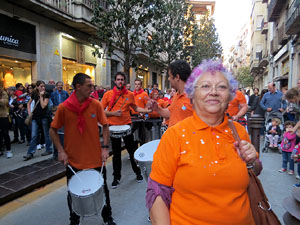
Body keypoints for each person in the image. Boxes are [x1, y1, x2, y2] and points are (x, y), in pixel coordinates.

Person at [146, 60, 258, 225]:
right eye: (205, 86)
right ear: (192, 94)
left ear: (230, 95)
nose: (213, 92)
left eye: (221, 87)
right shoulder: (174, 136)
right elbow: (156, 192)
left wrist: (252, 161)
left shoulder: (239, 132)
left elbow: (254, 170)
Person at [50, 73, 116, 225]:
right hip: (73, 161)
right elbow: (52, 130)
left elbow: (105, 125)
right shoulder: (64, 108)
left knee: (103, 190)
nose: (92, 89)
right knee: (73, 193)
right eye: (89, 86)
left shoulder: (96, 105)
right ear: (78, 87)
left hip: (95, 158)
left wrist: (105, 148)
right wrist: (60, 151)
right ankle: (74, 220)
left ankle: (107, 217)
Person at [101, 71, 151, 188]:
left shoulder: (129, 94)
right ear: (115, 81)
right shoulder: (107, 94)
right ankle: (116, 177)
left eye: (122, 79)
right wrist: (113, 113)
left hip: (127, 126)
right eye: (118, 79)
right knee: (116, 154)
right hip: (113, 127)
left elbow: (135, 107)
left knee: (132, 151)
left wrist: (147, 111)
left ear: (125, 81)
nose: (120, 81)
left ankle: (138, 173)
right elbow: (101, 111)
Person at [151, 60, 193, 127]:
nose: (168, 79)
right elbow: (170, 113)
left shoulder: (195, 98)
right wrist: (156, 108)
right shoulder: (176, 95)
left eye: (169, 76)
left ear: (177, 77)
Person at [23, 80, 53, 160]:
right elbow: (28, 103)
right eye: (41, 86)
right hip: (35, 117)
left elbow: (43, 106)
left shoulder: (46, 94)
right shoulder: (34, 93)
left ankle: (49, 149)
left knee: (46, 134)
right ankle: (30, 153)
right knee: (34, 135)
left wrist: (41, 96)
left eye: (44, 86)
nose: (43, 88)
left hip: (44, 117)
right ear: (37, 87)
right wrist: (29, 113)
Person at [0, 82, 12, 158]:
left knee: (5, 133)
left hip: (4, 116)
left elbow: (3, 103)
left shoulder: (4, 93)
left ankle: (8, 150)